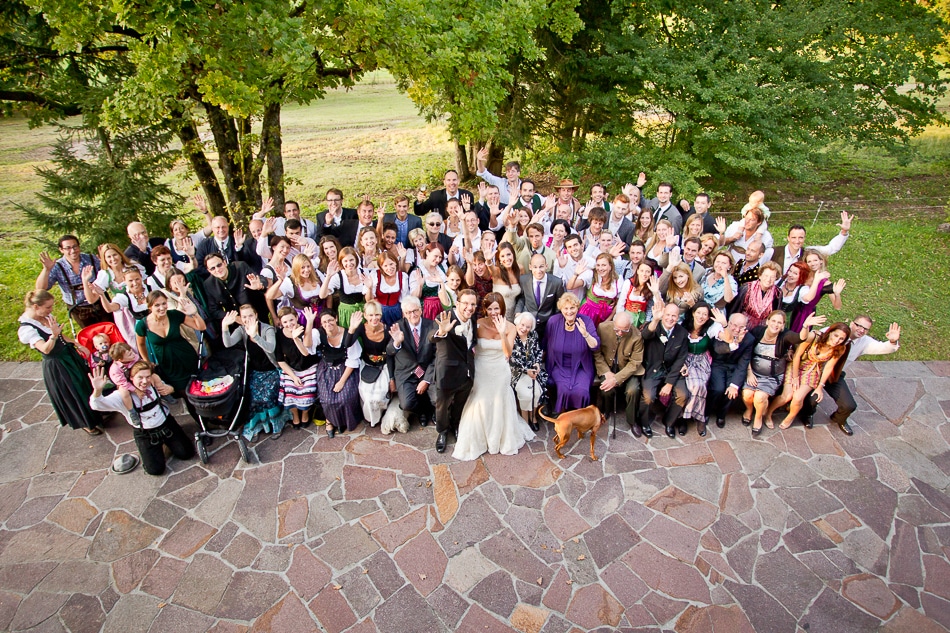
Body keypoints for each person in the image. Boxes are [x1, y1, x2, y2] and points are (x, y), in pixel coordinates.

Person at [453, 294, 535, 460]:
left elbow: (507, 353)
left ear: (502, 308)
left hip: (500, 368)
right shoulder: (478, 324)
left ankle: (499, 438)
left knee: (499, 397)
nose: (493, 312)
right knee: (480, 397)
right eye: (489, 308)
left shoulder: (511, 327)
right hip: (481, 367)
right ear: (485, 309)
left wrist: (502, 333)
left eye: (496, 308)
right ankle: (479, 437)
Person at [798, 315, 901, 435]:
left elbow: (884, 348)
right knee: (812, 399)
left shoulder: (865, 342)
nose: (861, 330)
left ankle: (839, 419)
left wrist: (892, 341)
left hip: (835, 375)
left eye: (865, 329)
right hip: (815, 372)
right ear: (852, 323)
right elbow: (808, 341)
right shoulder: (834, 333)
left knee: (849, 405)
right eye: (859, 325)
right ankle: (807, 414)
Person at [18, 290, 103, 435]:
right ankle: (86, 422)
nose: (51, 310)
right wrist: (53, 336)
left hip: (68, 356)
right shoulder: (27, 329)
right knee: (74, 391)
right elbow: (45, 349)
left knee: (84, 384)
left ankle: (97, 412)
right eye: (48, 307)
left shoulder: (44, 316)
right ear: (36, 307)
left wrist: (77, 344)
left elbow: (61, 335)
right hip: (58, 364)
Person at [89, 363, 194, 475]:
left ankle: (167, 443)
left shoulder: (154, 384)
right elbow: (96, 405)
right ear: (131, 378)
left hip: (166, 424)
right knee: (155, 470)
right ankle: (159, 447)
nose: (145, 381)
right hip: (145, 433)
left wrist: (170, 389)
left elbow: (173, 390)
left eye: (147, 377)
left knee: (186, 453)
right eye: (140, 377)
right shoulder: (122, 395)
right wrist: (97, 390)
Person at [222, 304, 291, 440]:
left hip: (272, 370)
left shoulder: (267, 329)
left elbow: (270, 348)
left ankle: (276, 424)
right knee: (253, 398)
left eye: (250, 315)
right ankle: (262, 426)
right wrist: (224, 327)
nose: (248, 319)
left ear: (256, 315)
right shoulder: (242, 330)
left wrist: (255, 336)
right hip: (256, 371)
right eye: (244, 317)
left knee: (267, 397)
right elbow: (228, 343)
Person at [767, 321, 851, 431]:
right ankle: (768, 413)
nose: (837, 340)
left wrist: (820, 386)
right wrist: (795, 377)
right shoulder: (814, 337)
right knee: (787, 396)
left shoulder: (840, 349)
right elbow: (797, 356)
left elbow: (828, 367)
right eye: (836, 335)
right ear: (830, 332)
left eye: (841, 339)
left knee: (798, 397)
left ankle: (790, 417)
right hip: (797, 365)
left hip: (813, 371)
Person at [740, 310, 814, 433]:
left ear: (783, 325)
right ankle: (748, 410)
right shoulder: (757, 331)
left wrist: (805, 326)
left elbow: (800, 338)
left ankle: (758, 418)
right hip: (753, 373)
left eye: (779, 323)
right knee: (747, 394)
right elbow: (746, 353)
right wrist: (749, 373)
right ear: (767, 321)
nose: (775, 325)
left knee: (759, 397)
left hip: (771, 376)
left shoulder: (784, 336)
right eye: (773, 321)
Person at [431, 289, 479, 453]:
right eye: (465, 303)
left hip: (466, 373)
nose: (469, 307)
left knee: (460, 404)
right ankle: (442, 432)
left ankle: (456, 426)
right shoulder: (444, 317)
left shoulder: (472, 318)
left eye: (473, 304)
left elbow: (472, 342)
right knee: (442, 406)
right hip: (447, 372)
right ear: (457, 303)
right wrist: (442, 332)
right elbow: (432, 337)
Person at [136, 290, 205, 393]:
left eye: (164, 303)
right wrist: (147, 361)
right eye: (157, 305)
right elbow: (140, 344)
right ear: (150, 307)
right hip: (168, 365)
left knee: (199, 387)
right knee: (181, 392)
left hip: (187, 357)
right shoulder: (142, 324)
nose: (162, 307)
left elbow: (201, 327)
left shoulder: (174, 314)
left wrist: (194, 314)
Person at [307, 308, 362, 436]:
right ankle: (329, 421)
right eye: (324, 322)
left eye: (330, 320)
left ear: (336, 319)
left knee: (346, 398)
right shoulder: (318, 333)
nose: (328, 324)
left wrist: (342, 381)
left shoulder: (347, 334)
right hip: (326, 369)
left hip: (346, 369)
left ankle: (344, 421)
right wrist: (309, 324)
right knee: (327, 399)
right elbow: (308, 346)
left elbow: (353, 359)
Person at [640, 299, 689, 438]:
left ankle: (669, 422)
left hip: (672, 370)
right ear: (662, 314)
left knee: (682, 395)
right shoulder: (654, 326)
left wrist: (669, 383)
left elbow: (681, 359)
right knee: (648, 397)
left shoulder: (682, 333)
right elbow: (645, 335)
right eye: (667, 314)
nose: (670, 318)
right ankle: (644, 422)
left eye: (674, 316)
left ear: (678, 318)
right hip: (653, 369)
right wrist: (655, 320)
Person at [545, 293, 600, 413]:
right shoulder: (553, 322)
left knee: (582, 391)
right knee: (564, 390)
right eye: (566, 308)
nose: (569, 311)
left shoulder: (586, 321)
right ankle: (564, 417)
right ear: (561, 309)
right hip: (559, 365)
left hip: (582, 366)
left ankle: (580, 418)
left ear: (577, 308)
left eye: (572, 308)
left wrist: (585, 334)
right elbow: (545, 343)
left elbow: (595, 346)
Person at [36, 235, 105, 328]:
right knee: (92, 335)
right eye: (68, 248)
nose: (73, 251)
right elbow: (41, 288)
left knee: (111, 330)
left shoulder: (91, 259)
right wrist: (46, 270)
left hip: (100, 302)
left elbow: (108, 275)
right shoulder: (57, 266)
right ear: (61, 250)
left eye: (75, 246)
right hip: (78, 308)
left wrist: (104, 261)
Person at [388, 297, 437, 427]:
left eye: (415, 311)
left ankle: (432, 410)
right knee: (406, 404)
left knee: (437, 398)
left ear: (421, 310)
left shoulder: (432, 325)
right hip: (406, 372)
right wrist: (397, 342)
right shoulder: (398, 327)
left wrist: (426, 380)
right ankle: (421, 411)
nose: (413, 315)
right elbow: (389, 351)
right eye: (408, 312)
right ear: (404, 314)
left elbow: (437, 355)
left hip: (427, 371)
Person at [593, 312, 645, 435]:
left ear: (630, 326)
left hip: (627, 370)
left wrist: (616, 379)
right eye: (617, 330)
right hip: (607, 367)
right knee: (606, 389)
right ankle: (606, 411)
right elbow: (597, 353)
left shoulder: (637, 336)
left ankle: (632, 421)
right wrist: (606, 372)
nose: (620, 333)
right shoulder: (602, 327)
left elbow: (635, 362)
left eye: (624, 330)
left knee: (633, 390)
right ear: (613, 323)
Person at [344, 303, 394, 428]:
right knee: (366, 394)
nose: (374, 318)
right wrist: (352, 328)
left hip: (384, 366)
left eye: (377, 314)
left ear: (381, 315)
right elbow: (347, 344)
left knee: (380, 393)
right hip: (367, 365)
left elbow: (391, 356)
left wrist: (392, 378)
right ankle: (371, 418)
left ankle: (381, 413)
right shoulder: (361, 328)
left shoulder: (387, 330)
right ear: (365, 315)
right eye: (370, 315)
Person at [273, 307, 319, 430]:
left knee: (306, 391)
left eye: (291, 320)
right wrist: (293, 377)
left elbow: (306, 353)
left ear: (297, 318)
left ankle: (305, 413)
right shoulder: (279, 335)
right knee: (290, 391)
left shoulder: (305, 330)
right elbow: (280, 360)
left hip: (308, 367)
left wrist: (296, 338)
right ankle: (295, 415)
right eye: (285, 322)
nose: (289, 324)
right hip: (291, 368)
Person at [679, 302, 720, 436]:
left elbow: (728, 339)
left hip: (701, 361)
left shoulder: (711, 328)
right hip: (686, 360)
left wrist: (724, 324)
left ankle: (693, 417)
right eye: (699, 313)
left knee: (699, 386)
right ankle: (688, 418)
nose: (701, 316)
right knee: (692, 386)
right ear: (693, 313)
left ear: (708, 317)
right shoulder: (684, 326)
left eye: (705, 314)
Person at [82, 264, 150, 346]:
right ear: (124, 281)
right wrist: (102, 295)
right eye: (130, 281)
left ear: (141, 277)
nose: (135, 283)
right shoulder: (124, 297)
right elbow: (109, 308)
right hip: (140, 335)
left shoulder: (151, 289)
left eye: (137, 279)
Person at [707, 312, 755, 429]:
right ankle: (707, 411)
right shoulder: (721, 332)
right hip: (718, 364)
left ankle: (721, 415)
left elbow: (743, 363)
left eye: (741, 327)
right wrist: (734, 342)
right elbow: (718, 350)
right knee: (718, 389)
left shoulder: (749, 339)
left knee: (732, 391)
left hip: (734, 367)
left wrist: (734, 385)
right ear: (728, 323)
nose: (737, 329)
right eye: (734, 325)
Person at [202, 253, 267, 335]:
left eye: (219, 265)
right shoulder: (209, 284)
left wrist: (259, 285)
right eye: (212, 268)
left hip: (258, 316)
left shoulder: (241, 267)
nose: (217, 269)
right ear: (209, 271)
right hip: (237, 326)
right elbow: (214, 310)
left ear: (225, 263)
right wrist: (235, 318)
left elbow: (261, 280)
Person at [772, 215, 852, 274]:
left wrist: (844, 232)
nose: (797, 241)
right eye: (793, 237)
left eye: (800, 237)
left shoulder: (807, 252)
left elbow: (830, 248)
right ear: (788, 238)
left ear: (804, 238)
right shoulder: (774, 251)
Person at [789, 249, 844, 333]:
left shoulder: (825, 283)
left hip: (805, 315)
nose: (812, 263)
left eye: (815, 260)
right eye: (809, 261)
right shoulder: (802, 274)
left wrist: (837, 294)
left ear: (821, 261)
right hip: (792, 308)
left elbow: (837, 306)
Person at [510, 312, 548, 431]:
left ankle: (533, 416)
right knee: (526, 394)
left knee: (536, 393)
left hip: (533, 371)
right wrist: (527, 370)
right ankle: (525, 418)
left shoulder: (533, 335)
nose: (524, 329)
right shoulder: (512, 335)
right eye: (522, 325)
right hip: (518, 373)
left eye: (528, 326)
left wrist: (537, 364)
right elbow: (512, 358)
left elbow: (538, 351)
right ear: (517, 323)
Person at [318, 246, 371, 329]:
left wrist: (370, 287)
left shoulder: (364, 273)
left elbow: (369, 299)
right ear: (341, 262)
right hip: (346, 313)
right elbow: (322, 295)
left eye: (351, 260)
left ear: (356, 260)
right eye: (345, 261)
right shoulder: (338, 277)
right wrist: (328, 276)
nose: (349, 264)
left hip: (362, 312)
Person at [516, 253, 565, 340]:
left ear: (546, 266)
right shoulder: (523, 280)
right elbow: (521, 298)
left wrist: (554, 321)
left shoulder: (556, 283)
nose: (538, 270)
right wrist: (518, 312)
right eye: (535, 267)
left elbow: (559, 304)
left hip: (547, 323)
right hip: (528, 322)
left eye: (541, 266)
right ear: (530, 267)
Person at [267, 253, 325, 325]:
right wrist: (280, 281)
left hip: (322, 317)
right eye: (302, 267)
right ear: (296, 268)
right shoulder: (290, 281)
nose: (306, 270)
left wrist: (328, 312)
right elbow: (270, 296)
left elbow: (328, 295)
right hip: (303, 320)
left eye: (308, 266)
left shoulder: (317, 275)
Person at [735, 261, 783, 329]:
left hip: (763, 328)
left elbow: (776, 314)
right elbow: (736, 308)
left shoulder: (778, 293)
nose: (768, 279)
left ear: (776, 278)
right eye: (766, 275)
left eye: (772, 277)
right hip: (743, 325)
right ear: (760, 275)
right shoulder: (747, 288)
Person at [579, 252, 621, 328]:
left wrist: (609, 318)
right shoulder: (592, 275)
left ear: (610, 266)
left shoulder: (618, 280)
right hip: (588, 312)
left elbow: (618, 302)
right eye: (598, 265)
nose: (600, 268)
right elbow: (570, 286)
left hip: (605, 315)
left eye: (604, 265)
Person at [615, 262, 655, 329]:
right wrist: (619, 319)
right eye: (642, 271)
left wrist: (646, 321)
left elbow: (650, 307)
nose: (644, 274)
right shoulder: (628, 283)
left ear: (651, 274)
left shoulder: (651, 287)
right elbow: (621, 304)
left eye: (647, 272)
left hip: (641, 320)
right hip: (627, 318)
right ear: (638, 271)